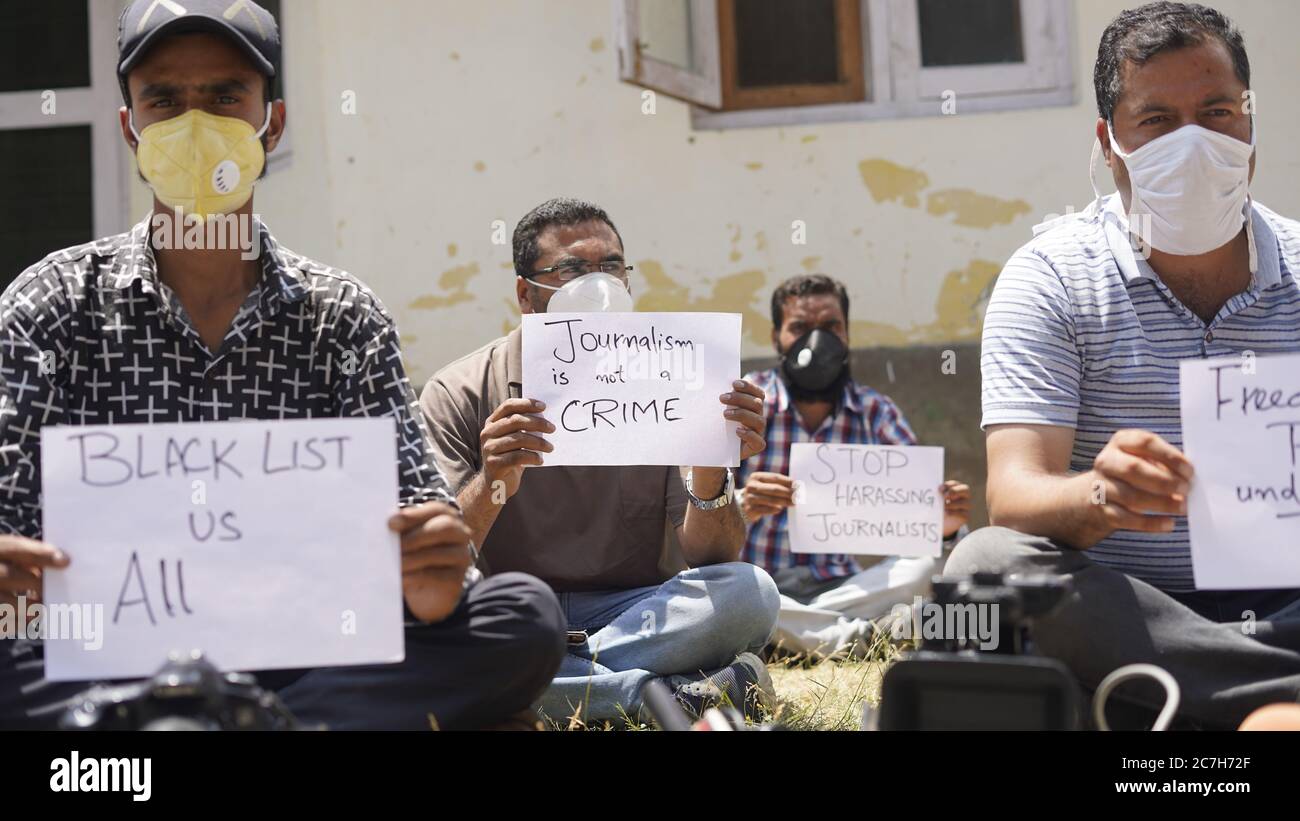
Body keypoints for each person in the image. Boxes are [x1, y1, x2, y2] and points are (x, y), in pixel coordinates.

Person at [0, 0, 564, 730]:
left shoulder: (343, 316)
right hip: (98, 653)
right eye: (164, 100)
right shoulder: (49, 303)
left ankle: (187, 729)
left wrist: (434, 573)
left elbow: (424, 527)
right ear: (129, 127)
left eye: (225, 96)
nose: (194, 125)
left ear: (273, 123)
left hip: (305, 647)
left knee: (522, 615)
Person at [952, 1, 1300, 728]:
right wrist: (1100, 498)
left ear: (1250, 122)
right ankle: (1269, 702)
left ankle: (1166, 705)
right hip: (1132, 608)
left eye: (1217, 111)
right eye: (1158, 122)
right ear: (1110, 143)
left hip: (1288, 598)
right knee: (984, 568)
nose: (1196, 143)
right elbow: (1014, 495)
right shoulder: (1048, 277)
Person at [420, 198, 781, 725]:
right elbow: (441, 557)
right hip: (512, 614)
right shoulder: (458, 392)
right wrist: (494, 479)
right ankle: (664, 697)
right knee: (431, 650)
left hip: (635, 610)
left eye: (612, 266)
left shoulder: (670, 378)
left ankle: (551, 678)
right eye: (571, 269)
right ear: (526, 293)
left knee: (751, 593)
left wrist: (709, 467)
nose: (598, 284)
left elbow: (714, 554)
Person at [737, 274, 972, 659]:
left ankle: (787, 636)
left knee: (929, 565)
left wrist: (943, 525)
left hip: (844, 588)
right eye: (799, 327)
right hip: (759, 583)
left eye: (831, 326)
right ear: (776, 336)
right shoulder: (747, 403)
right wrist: (741, 502)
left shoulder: (875, 411)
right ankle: (861, 638)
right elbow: (694, 503)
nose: (817, 340)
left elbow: (922, 517)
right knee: (727, 591)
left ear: (847, 335)